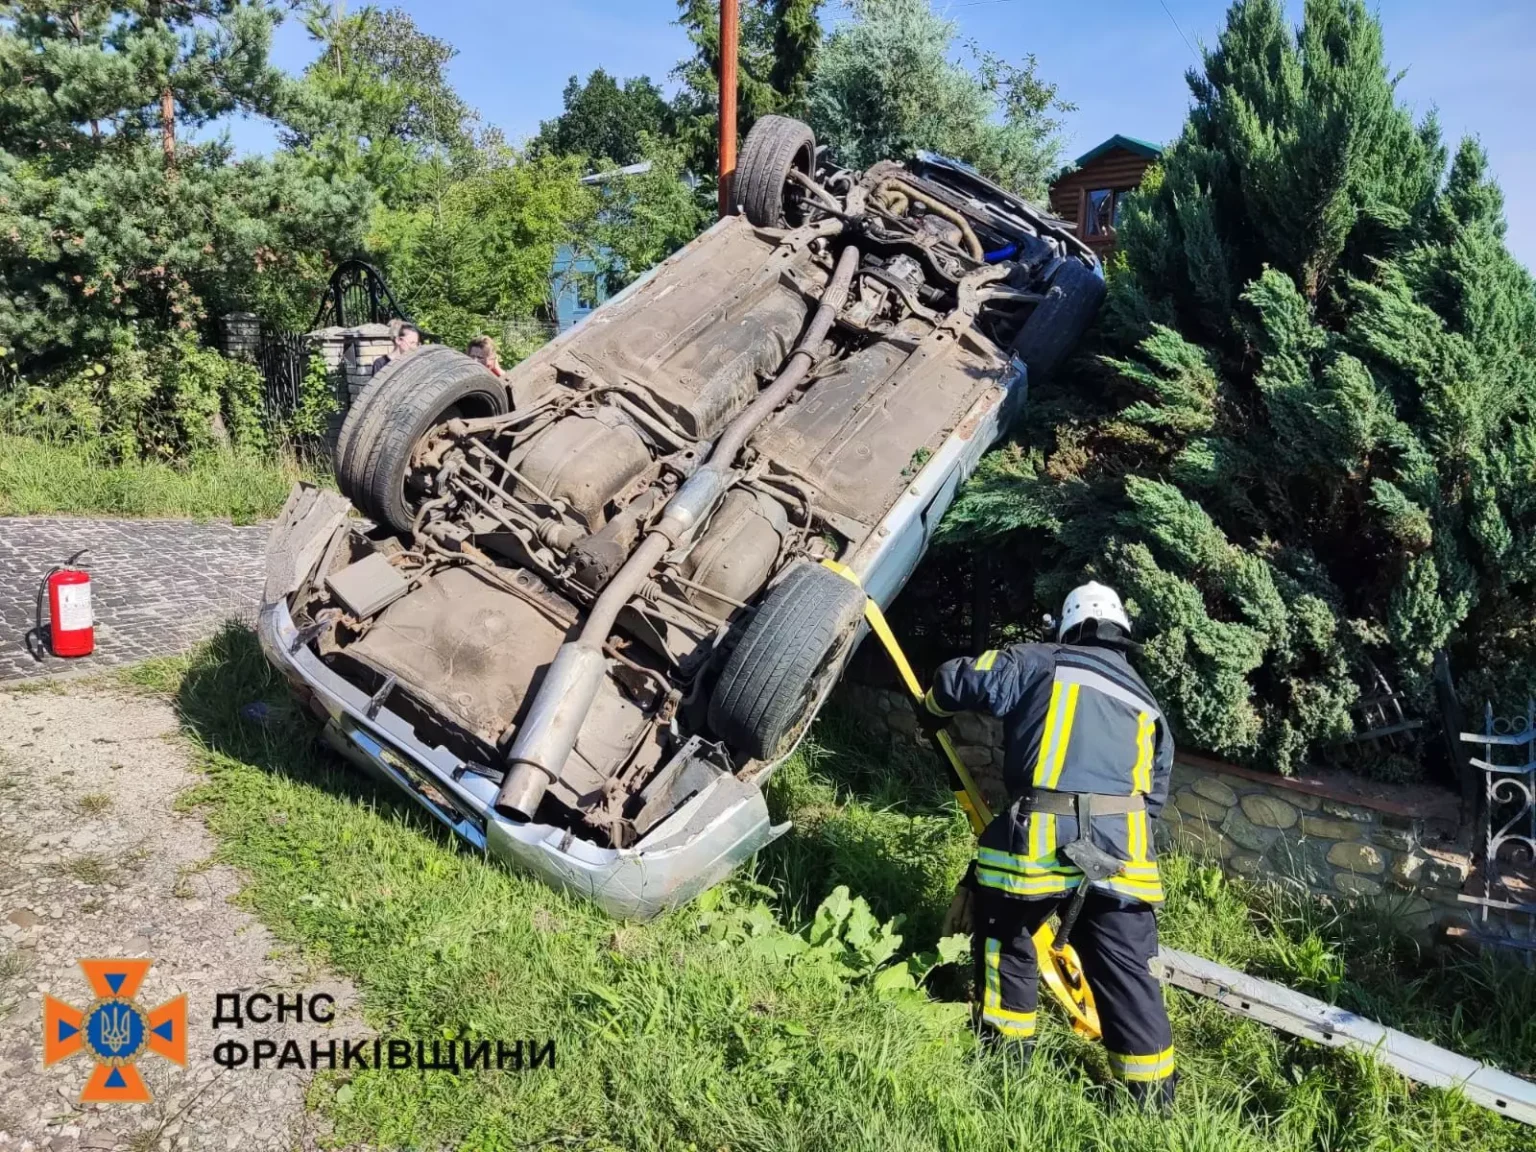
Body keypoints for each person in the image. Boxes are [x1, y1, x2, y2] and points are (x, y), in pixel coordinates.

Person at [920, 581, 1177, 1109]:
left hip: (1036, 849)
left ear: (1068, 627)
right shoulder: (1148, 703)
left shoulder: (1037, 661)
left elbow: (958, 682)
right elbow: (1154, 799)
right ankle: (1152, 1102)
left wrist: (931, 708)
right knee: (1127, 974)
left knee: (1007, 943)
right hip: (1123, 860)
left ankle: (1007, 1073)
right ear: (1121, 634)